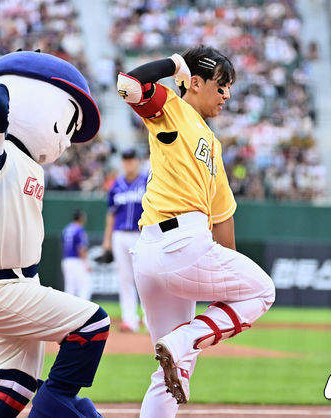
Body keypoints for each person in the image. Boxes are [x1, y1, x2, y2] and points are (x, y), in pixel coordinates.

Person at [116, 45, 275, 417]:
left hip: (154, 253)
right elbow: (128, 85)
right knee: (264, 290)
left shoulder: (212, 144)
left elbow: (223, 218)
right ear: (196, 82)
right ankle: (185, 340)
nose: (227, 95)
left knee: (171, 374)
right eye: (221, 85)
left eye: (230, 87)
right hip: (182, 243)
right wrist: (176, 64)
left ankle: (182, 345)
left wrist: (225, 280)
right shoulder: (171, 108)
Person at [0, 51, 108, 417]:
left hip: (21, 285)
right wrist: (6, 91)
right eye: (68, 123)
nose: (68, 140)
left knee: (15, 383)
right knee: (93, 323)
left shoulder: (34, 169)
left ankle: (49, 402)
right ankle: (54, 405)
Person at [101, 148, 147, 332]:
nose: (128, 163)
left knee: (144, 279)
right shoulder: (116, 185)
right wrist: (107, 240)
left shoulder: (146, 181)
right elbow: (111, 214)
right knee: (125, 278)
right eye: (125, 160)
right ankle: (130, 320)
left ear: (137, 161)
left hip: (141, 234)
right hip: (120, 235)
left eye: (131, 159)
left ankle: (149, 318)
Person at [62, 209, 92, 300]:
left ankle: (68, 310)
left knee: (70, 288)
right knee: (85, 286)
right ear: (81, 218)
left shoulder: (66, 229)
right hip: (77, 261)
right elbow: (81, 248)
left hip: (66, 260)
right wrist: (86, 263)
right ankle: (85, 309)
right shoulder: (79, 230)